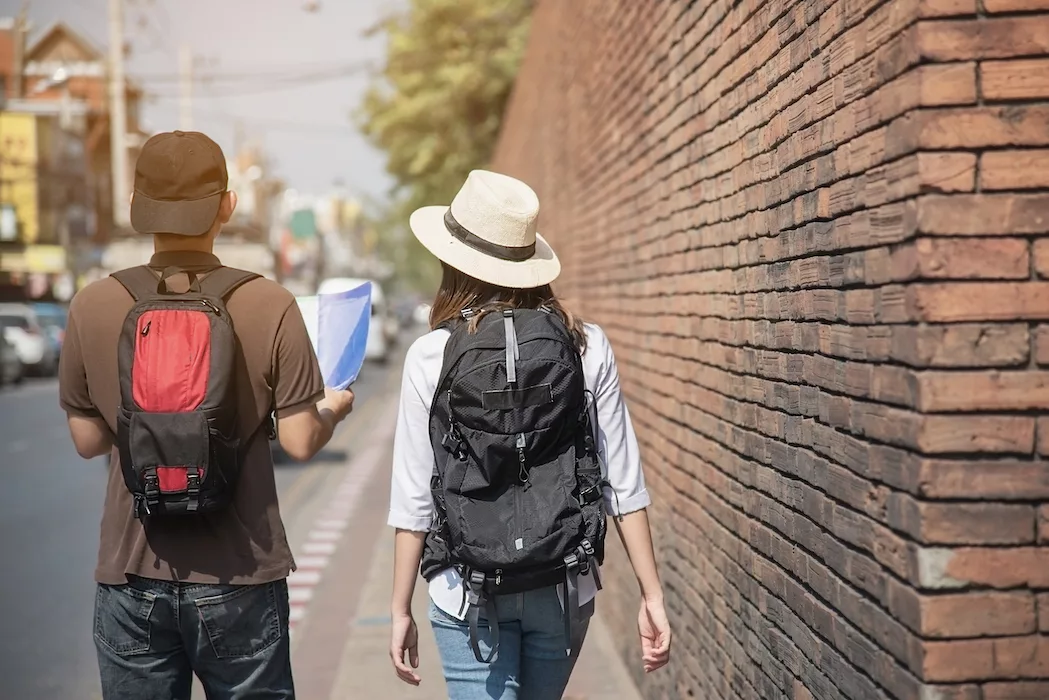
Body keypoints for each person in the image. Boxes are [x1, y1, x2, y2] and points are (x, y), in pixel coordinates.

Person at [58, 130, 355, 700]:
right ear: (227, 205)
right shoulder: (271, 303)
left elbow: (87, 440)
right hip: (242, 573)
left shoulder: (93, 305)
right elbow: (298, 440)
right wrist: (334, 409)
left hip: (132, 571)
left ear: (136, 208)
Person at [387, 170, 672, 699]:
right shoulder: (586, 345)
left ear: (453, 262)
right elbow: (622, 484)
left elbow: (413, 498)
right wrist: (651, 594)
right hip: (564, 583)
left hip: (465, 590)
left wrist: (400, 607)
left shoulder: (430, 356)